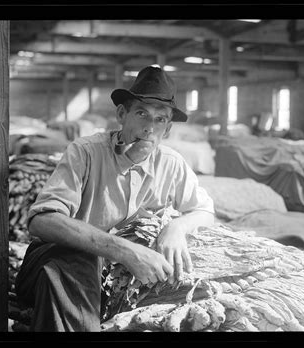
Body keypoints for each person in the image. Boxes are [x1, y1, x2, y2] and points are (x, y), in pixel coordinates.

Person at [15, 66, 215, 332]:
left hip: (117, 280)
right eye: (142, 113)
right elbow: (42, 221)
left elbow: (205, 212)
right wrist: (123, 249)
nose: (149, 128)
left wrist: (176, 228)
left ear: (167, 129)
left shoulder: (172, 164)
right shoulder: (85, 153)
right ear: (122, 114)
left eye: (160, 119)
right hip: (55, 263)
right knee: (78, 259)